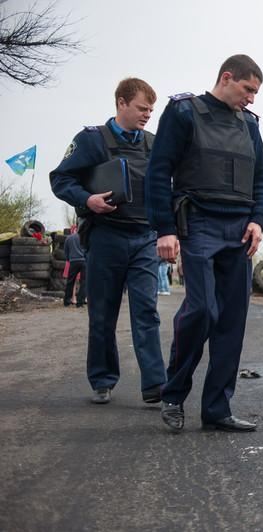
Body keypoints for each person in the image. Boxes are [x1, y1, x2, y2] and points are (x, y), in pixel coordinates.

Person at [146, 54, 263, 433]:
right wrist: (164, 229)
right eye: (248, 89)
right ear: (227, 78)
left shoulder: (250, 125)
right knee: (201, 311)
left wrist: (257, 220)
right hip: (197, 224)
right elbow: (158, 172)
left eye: (256, 92)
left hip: (239, 233)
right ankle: (173, 395)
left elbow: (262, 181)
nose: (252, 99)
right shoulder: (184, 112)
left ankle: (217, 410)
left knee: (231, 322)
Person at [49, 78, 166, 405]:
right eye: (142, 108)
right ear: (121, 103)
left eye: (151, 110)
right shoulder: (91, 140)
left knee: (147, 311)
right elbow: (60, 179)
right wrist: (87, 200)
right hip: (106, 237)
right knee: (102, 313)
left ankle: (156, 385)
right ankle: (102, 379)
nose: (147, 115)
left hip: (145, 238)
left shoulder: (154, 144)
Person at [62, 229, 86, 307]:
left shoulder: (69, 238)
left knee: (70, 281)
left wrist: (69, 259)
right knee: (84, 282)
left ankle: (67, 301)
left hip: (73, 261)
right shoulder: (85, 237)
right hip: (84, 261)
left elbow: (65, 250)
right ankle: (80, 302)